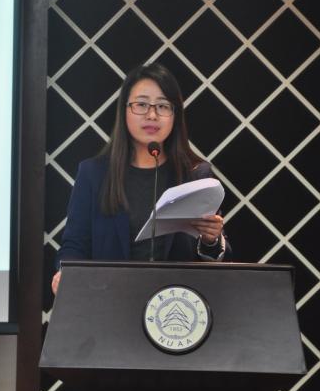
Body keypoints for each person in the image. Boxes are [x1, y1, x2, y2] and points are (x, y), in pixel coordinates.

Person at [51, 62, 231, 295]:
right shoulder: (93, 174)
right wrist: (65, 273)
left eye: (163, 106)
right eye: (142, 104)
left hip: (176, 305)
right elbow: (74, 245)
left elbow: (218, 259)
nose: (152, 115)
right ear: (124, 110)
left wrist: (211, 240)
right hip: (109, 301)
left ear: (175, 114)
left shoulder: (196, 175)